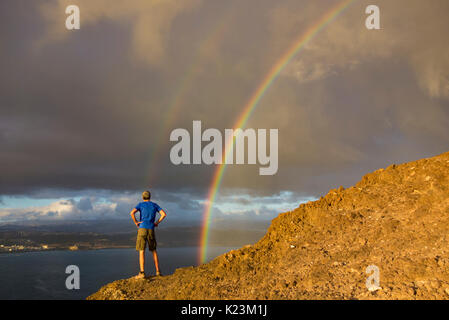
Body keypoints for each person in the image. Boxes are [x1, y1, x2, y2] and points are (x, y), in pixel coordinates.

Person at [130, 190, 167, 279]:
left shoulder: (140, 204)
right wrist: (157, 222)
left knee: (141, 251)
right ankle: (158, 271)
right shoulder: (154, 205)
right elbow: (164, 214)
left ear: (143, 197)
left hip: (142, 228)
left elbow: (131, 213)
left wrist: (136, 222)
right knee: (153, 250)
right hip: (151, 228)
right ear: (150, 197)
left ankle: (142, 273)